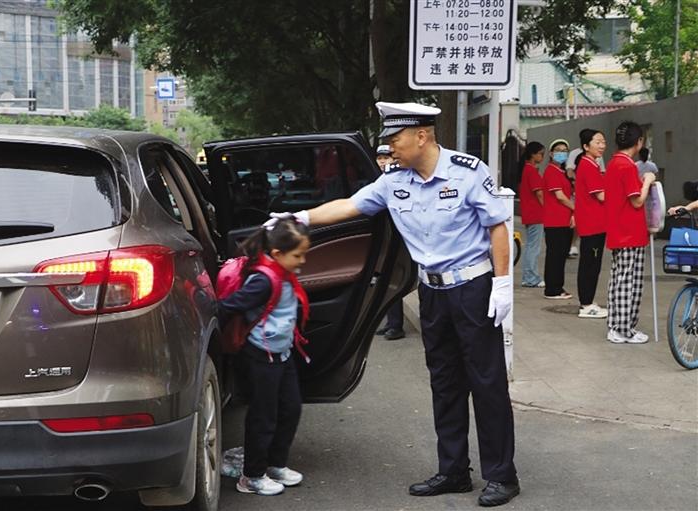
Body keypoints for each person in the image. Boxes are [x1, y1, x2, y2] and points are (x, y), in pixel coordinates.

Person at [265, 102, 520, 507]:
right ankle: (453, 470)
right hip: (432, 293)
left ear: (421, 136)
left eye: (395, 139)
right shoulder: (393, 182)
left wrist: (502, 285)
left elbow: (497, 228)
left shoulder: (468, 171)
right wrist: (299, 218)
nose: (389, 148)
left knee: (486, 383)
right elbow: (349, 205)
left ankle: (501, 475)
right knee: (444, 384)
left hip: (472, 289)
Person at [218, 218, 311, 496]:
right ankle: (252, 475)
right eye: (298, 255)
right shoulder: (264, 281)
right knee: (263, 416)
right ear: (278, 254)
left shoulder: (283, 274)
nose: (303, 261)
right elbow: (228, 306)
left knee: (290, 408)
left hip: (281, 353)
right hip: (262, 356)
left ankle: (275, 464)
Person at [604, 121, 657, 344]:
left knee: (619, 279)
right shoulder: (626, 166)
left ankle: (616, 326)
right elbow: (637, 201)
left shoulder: (614, 163)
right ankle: (624, 329)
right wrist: (648, 181)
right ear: (639, 142)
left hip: (619, 230)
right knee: (628, 282)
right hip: (629, 231)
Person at [574, 129, 608, 319]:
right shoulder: (588, 165)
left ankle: (587, 301)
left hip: (593, 223)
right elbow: (602, 195)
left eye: (603, 142)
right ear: (586, 146)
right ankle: (586, 304)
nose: (602, 146)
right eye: (598, 142)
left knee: (591, 264)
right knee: (590, 265)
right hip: (592, 224)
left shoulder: (590, 164)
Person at [374, 144, 406, 340]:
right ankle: (391, 322)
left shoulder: (401, 179)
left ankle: (396, 325)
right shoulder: (379, 180)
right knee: (387, 281)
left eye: (386, 157)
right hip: (387, 239)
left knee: (395, 280)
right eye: (379, 158)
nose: (382, 161)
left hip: (402, 240)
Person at [542, 139, 574, 299]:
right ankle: (552, 289)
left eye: (565, 151)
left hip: (563, 220)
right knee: (555, 255)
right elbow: (560, 196)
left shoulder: (561, 172)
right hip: (555, 220)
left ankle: (557, 287)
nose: (562, 153)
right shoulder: (551, 171)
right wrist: (575, 208)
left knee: (560, 255)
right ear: (551, 153)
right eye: (558, 150)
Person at [517, 141, 546, 288]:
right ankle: (531, 277)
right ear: (533, 155)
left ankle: (529, 276)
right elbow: (539, 194)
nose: (542, 157)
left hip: (530, 213)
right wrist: (547, 209)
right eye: (540, 154)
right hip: (536, 214)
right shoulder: (531, 171)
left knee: (531, 246)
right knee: (534, 247)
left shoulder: (526, 170)